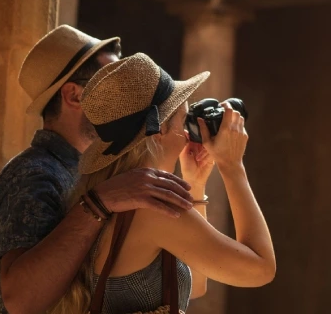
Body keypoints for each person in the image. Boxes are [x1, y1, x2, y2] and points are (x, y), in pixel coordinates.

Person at [0, 26, 198, 314]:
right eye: (108, 81)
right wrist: (99, 202)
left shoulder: (79, 172)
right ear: (74, 96)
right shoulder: (34, 175)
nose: (126, 92)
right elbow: (21, 300)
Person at [53, 53, 275, 313]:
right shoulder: (151, 207)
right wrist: (233, 166)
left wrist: (195, 183)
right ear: (157, 131)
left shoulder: (112, 193)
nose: (187, 132)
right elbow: (260, 269)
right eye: (183, 120)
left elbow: (196, 284)